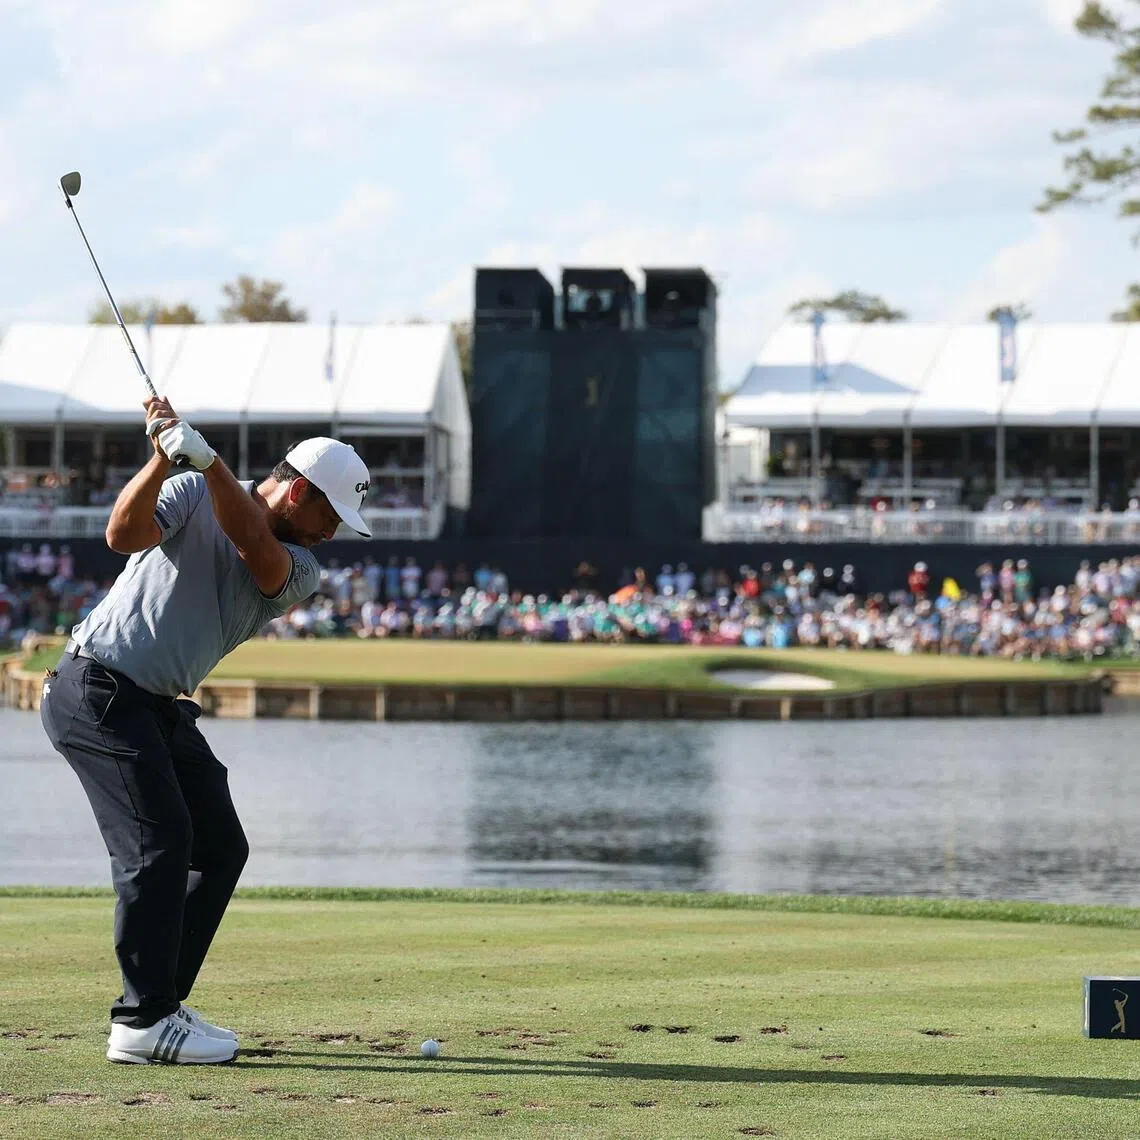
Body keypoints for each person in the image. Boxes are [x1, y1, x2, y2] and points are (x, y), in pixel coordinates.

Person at [39, 396, 370, 1065]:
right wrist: (163, 459)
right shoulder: (189, 489)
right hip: (97, 688)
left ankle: (162, 1001)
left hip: (155, 704)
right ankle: (142, 1022)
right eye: (331, 514)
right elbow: (121, 536)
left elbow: (255, 547)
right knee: (161, 840)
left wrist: (209, 460)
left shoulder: (299, 565)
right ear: (299, 491)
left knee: (218, 846)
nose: (333, 532)